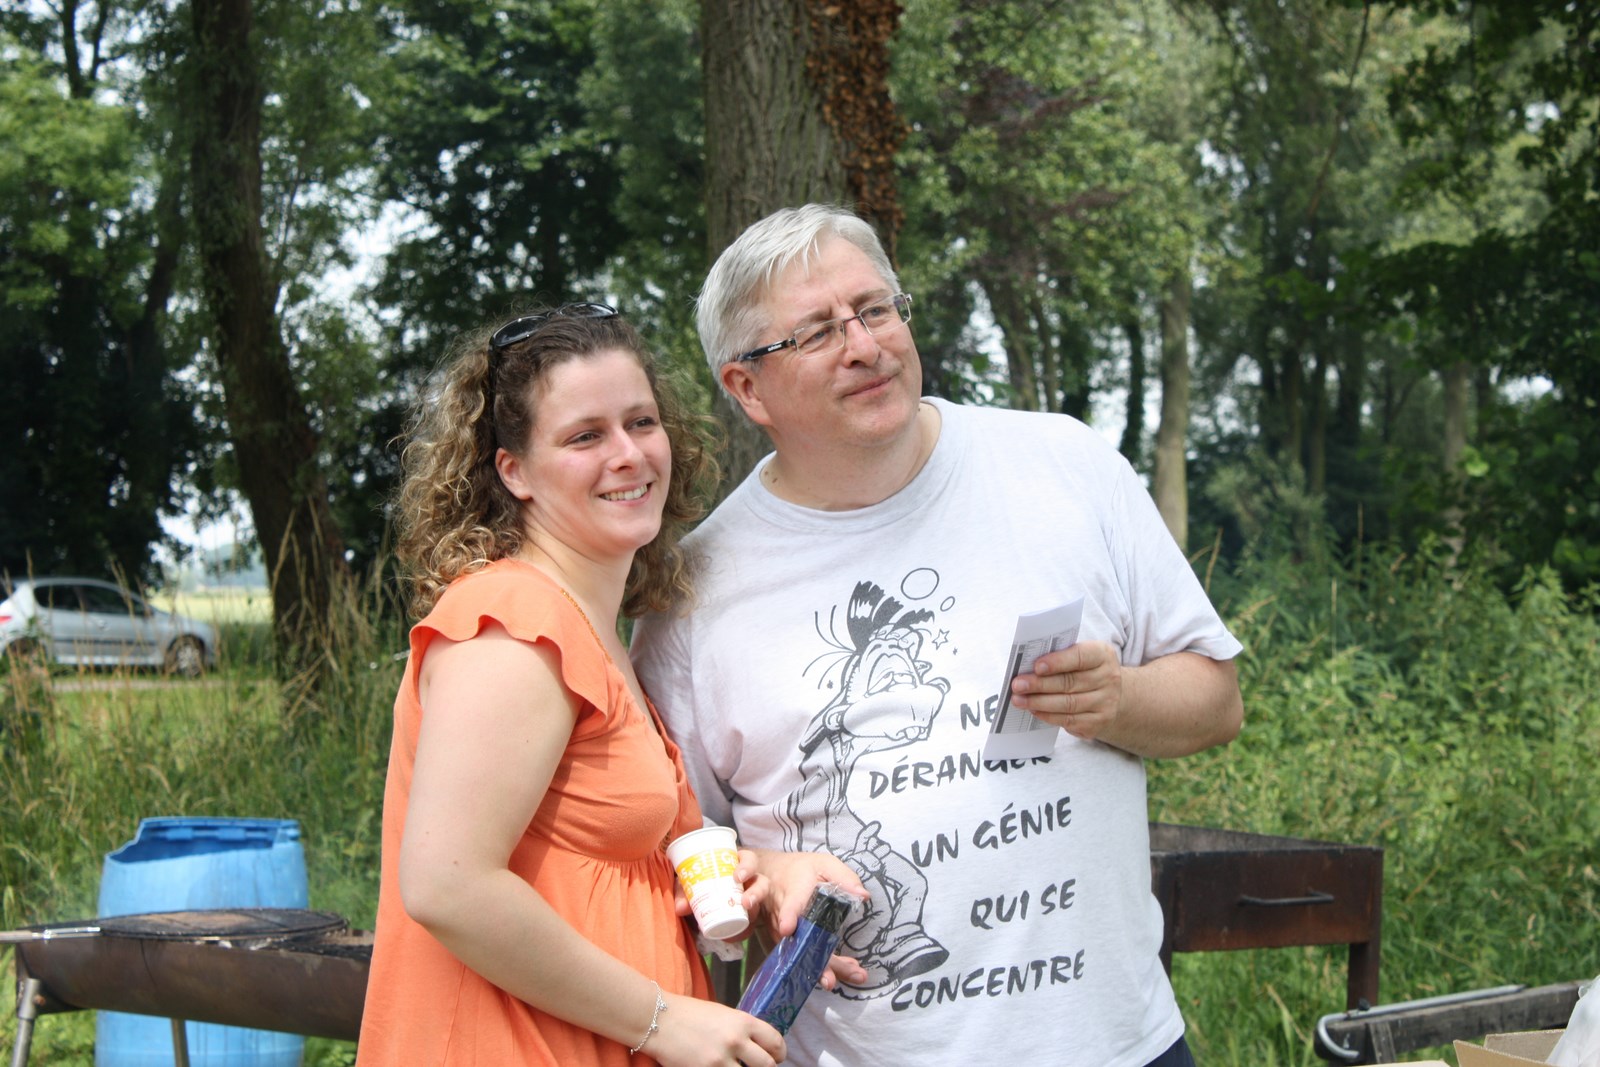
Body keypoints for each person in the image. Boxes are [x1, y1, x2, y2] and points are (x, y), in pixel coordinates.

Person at [630, 205, 1245, 1067]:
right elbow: (672, 854)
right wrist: (763, 881)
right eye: (817, 332)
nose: (864, 345)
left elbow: (1217, 702)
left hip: (1120, 1046)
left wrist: (1119, 698)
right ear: (747, 388)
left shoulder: (1066, 466)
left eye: (875, 309)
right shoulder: (692, 596)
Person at [357, 304, 789, 1066]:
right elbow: (447, 885)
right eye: (585, 436)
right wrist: (663, 1020)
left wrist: (761, 875)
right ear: (513, 471)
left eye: (641, 422)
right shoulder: (513, 622)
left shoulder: (597, 631)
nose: (627, 453)